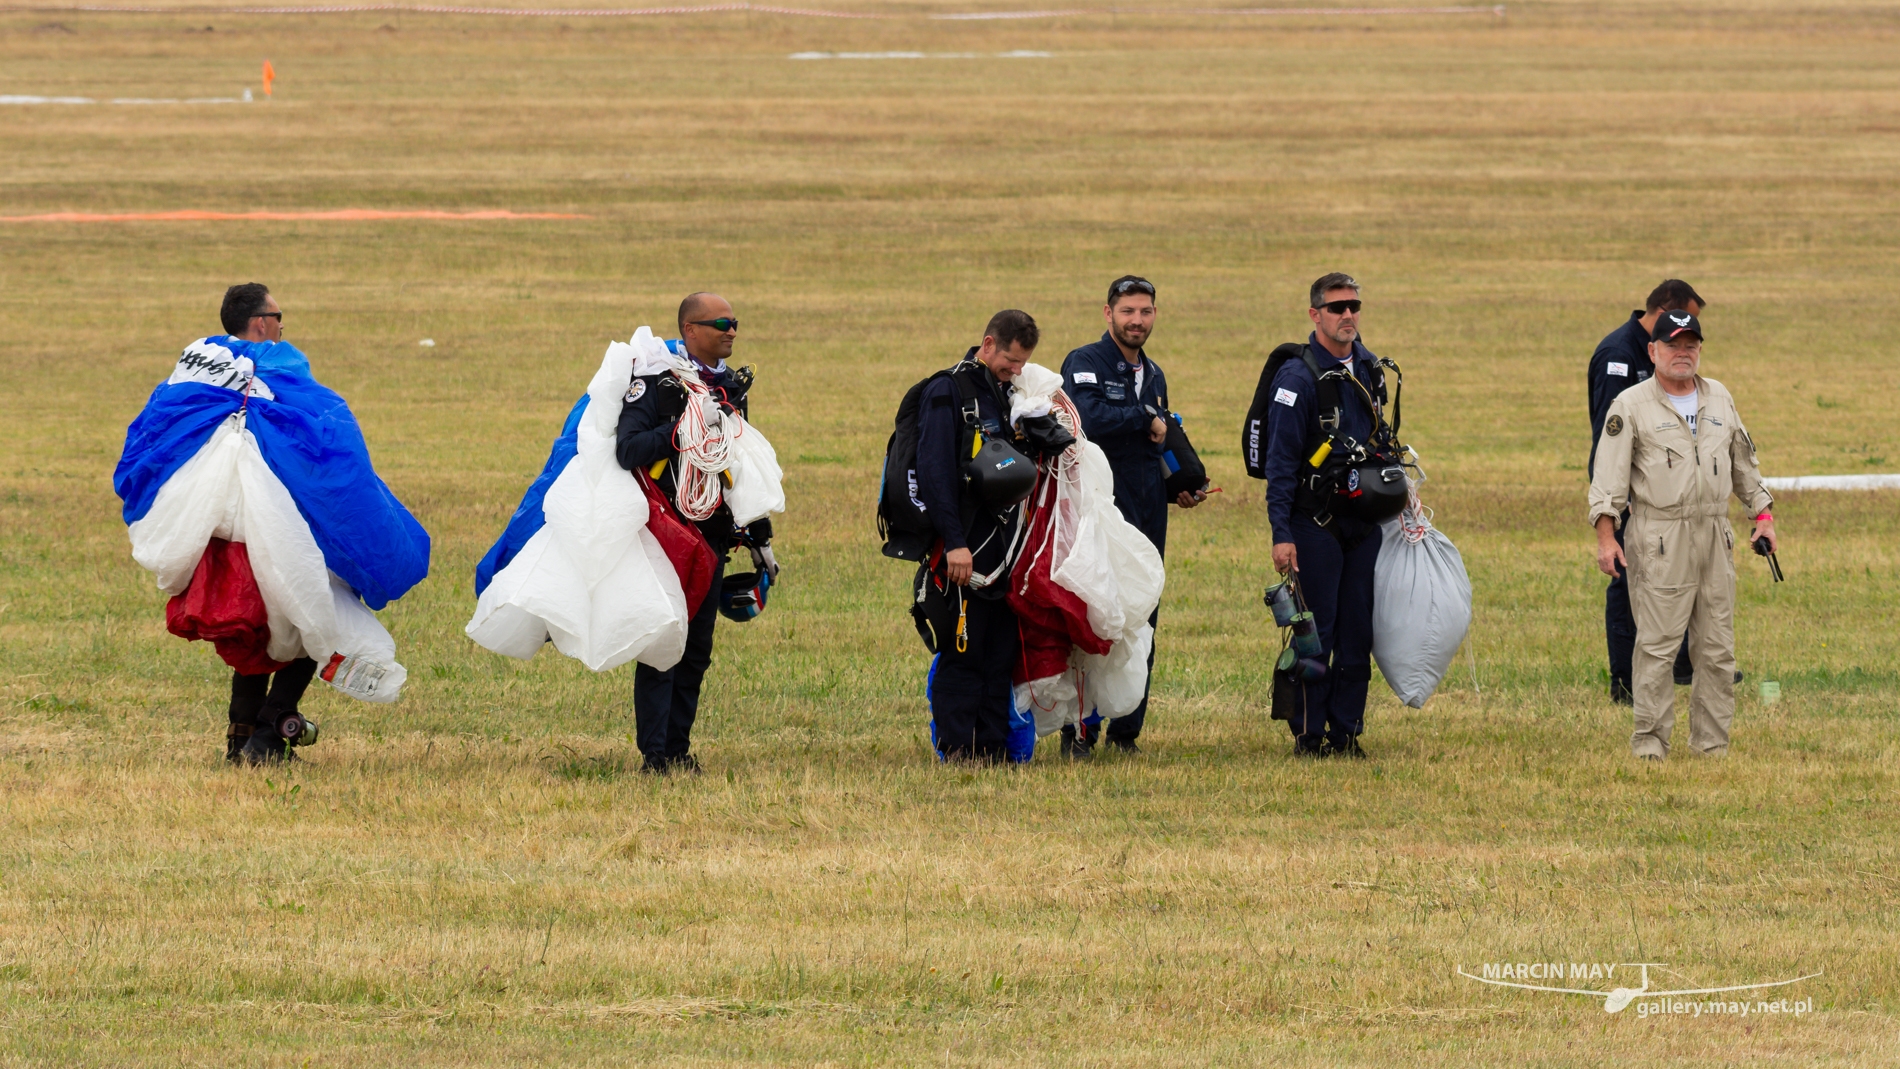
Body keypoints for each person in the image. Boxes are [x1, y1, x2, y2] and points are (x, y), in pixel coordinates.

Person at [1590, 311, 1774, 760]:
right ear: (1653, 351)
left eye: (1691, 344)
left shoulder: (1720, 397)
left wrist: (1762, 516)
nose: (1683, 353)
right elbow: (1608, 479)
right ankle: (1650, 746)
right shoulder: (1630, 405)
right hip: (1659, 536)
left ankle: (1712, 745)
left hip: (1714, 534)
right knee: (1657, 646)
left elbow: (1744, 464)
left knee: (1717, 648)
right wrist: (1606, 538)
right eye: (1673, 345)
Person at [615, 292, 779, 775]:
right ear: (690, 329)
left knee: (696, 650)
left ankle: (677, 750)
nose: (732, 331)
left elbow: (738, 465)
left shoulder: (729, 388)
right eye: (721, 324)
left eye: (735, 322)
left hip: (712, 536)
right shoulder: (656, 382)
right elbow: (627, 450)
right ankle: (654, 758)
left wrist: (760, 536)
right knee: (663, 645)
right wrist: (681, 433)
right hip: (666, 537)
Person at [1057, 276, 1204, 758]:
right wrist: (1144, 417)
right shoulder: (1085, 362)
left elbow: (1155, 444)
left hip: (1147, 511)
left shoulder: (1154, 374)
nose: (1136, 321)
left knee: (1142, 612)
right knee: (1094, 615)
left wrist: (1177, 487)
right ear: (1108, 314)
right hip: (1098, 510)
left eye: (1145, 311)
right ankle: (1080, 732)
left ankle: (1126, 733)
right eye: (1127, 312)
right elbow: (1086, 419)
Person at [1261, 273, 1394, 759]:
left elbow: (1381, 441)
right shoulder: (1297, 379)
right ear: (1315, 314)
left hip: (1363, 524)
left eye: (1354, 306)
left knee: (1358, 635)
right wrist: (1281, 533)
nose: (1348, 315)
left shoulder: (1370, 369)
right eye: (1337, 307)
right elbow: (1279, 464)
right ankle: (1309, 733)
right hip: (1312, 525)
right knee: (1317, 636)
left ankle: (1347, 731)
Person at [913, 310, 1038, 761]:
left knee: (999, 654)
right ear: (987, 345)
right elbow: (934, 473)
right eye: (1010, 360)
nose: (1016, 369)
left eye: (1023, 363)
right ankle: (957, 750)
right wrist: (954, 543)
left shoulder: (1007, 394)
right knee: (964, 652)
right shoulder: (948, 391)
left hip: (1003, 552)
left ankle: (992, 749)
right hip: (963, 550)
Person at [214, 284, 321, 764]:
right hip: (272, 516)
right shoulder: (277, 366)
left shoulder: (204, 367)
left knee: (254, 623)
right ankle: (269, 732)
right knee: (316, 612)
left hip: (222, 522)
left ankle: (241, 738)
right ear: (261, 323)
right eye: (279, 317)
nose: (281, 326)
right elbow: (310, 431)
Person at [1589, 280, 1705, 703]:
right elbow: (1610, 438)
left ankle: (1687, 663)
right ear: (1663, 313)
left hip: (1667, 493)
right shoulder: (1618, 356)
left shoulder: (1659, 354)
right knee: (1628, 585)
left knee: (1682, 575)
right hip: (1630, 496)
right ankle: (1625, 683)